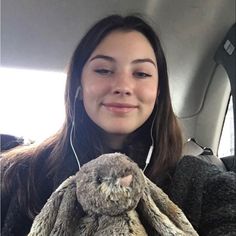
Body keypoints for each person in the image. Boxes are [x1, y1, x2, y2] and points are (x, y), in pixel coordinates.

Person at [1, 14, 235, 236]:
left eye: (141, 73)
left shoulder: (201, 183)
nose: (123, 86)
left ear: (158, 91)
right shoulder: (20, 175)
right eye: (103, 70)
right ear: (78, 86)